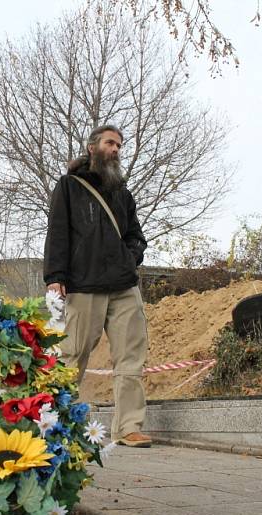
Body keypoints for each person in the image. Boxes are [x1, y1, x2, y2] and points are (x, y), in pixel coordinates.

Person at [44, 124, 152, 448]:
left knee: (131, 357)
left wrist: (129, 257)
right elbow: (57, 233)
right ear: (93, 147)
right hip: (83, 284)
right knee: (72, 355)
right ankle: (56, 423)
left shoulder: (123, 193)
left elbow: (136, 236)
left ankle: (128, 427)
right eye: (110, 143)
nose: (116, 149)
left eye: (119, 145)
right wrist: (55, 277)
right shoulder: (69, 186)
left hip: (123, 286)